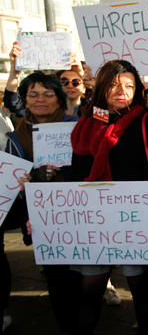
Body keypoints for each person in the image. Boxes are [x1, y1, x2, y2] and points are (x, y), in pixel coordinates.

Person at [70, 60, 148, 335]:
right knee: (90, 293)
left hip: (136, 224)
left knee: (144, 297)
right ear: (102, 87)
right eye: (115, 84)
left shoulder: (147, 123)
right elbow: (77, 174)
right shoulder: (85, 125)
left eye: (129, 85)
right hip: (95, 223)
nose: (121, 91)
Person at [3, 71, 81, 334]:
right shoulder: (15, 138)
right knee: (58, 278)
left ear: (59, 99)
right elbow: (10, 179)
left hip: (80, 213)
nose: (40, 100)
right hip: (44, 220)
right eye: (33, 94)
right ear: (25, 100)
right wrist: (29, 180)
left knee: (82, 278)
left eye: (48, 94)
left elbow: (90, 166)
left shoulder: (77, 127)